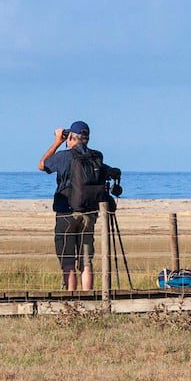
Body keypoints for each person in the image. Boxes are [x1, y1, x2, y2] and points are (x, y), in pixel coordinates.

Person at [39, 121, 115, 291]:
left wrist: (57, 141)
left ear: (71, 137)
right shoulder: (97, 157)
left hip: (66, 212)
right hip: (89, 213)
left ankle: (71, 300)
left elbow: (42, 164)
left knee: (68, 261)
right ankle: (88, 299)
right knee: (86, 261)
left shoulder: (65, 156)